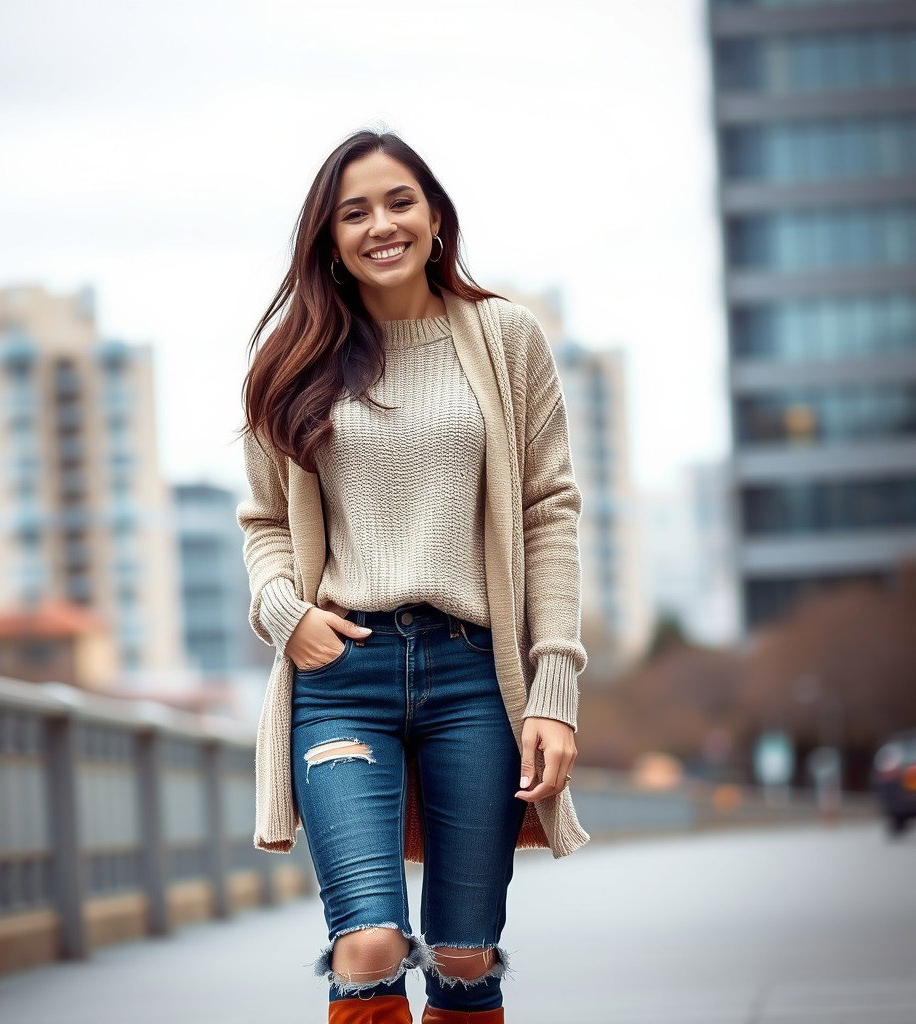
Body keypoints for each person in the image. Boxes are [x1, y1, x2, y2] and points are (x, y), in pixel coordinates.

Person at [235, 128, 590, 1024]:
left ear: (435, 219)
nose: (381, 225)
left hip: (476, 674)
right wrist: (286, 614)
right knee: (368, 942)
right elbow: (266, 522)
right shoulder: (290, 360)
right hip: (340, 674)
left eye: (399, 202)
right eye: (354, 212)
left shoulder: (505, 337)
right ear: (329, 240)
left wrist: (554, 690)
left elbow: (549, 509)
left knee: (465, 957)